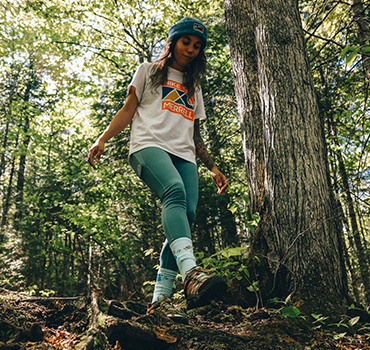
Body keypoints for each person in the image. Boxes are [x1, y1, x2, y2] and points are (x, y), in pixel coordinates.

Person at [87, 17, 228, 323]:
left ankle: (160, 301)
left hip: (185, 155)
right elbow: (128, 110)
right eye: (186, 41)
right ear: (173, 42)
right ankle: (191, 273)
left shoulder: (193, 86)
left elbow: (195, 134)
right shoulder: (148, 71)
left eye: (197, 45)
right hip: (149, 146)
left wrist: (213, 167)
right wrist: (102, 139)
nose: (190, 49)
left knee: (185, 217)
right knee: (173, 192)